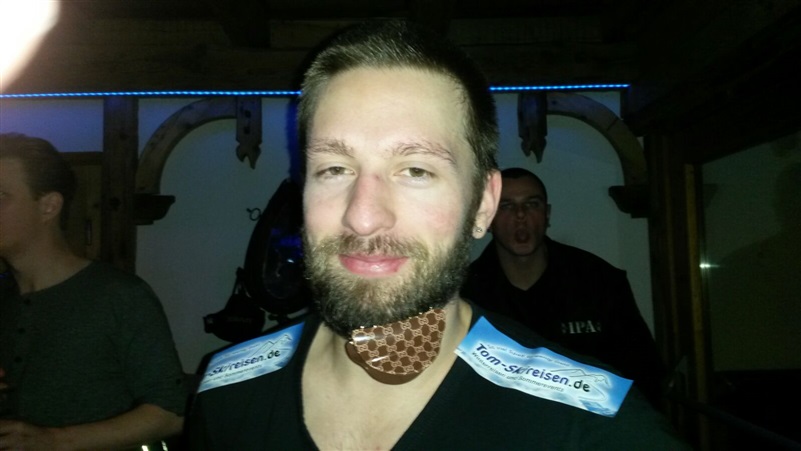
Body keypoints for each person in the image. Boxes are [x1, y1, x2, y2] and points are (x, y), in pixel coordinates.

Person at [186, 20, 688, 449]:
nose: (363, 217)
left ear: (482, 204)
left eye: (416, 170)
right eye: (335, 169)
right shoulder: (227, 395)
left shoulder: (593, 427)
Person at [0, 133, 187, 450]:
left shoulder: (120, 296)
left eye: (1, 195)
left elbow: (171, 413)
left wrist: (54, 441)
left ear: (49, 206)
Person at [461, 167, 667, 407]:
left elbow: (643, 375)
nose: (520, 215)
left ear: (547, 214)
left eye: (532, 204)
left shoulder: (599, 281)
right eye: (506, 206)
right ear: (487, 219)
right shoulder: (464, 293)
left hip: (590, 426)